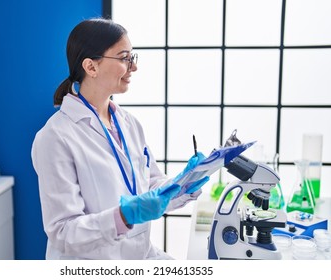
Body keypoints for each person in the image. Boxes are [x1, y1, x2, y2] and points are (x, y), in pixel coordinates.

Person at [31, 18, 209, 260]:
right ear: (91, 67)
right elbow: (63, 233)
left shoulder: (129, 124)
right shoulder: (55, 138)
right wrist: (123, 216)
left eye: (132, 58)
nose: (133, 67)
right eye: (125, 58)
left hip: (140, 256)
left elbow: (152, 188)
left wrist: (184, 184)